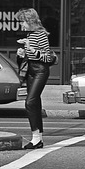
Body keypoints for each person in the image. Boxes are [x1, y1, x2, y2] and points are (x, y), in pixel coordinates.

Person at [15, 8, 52, 149]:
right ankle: (37, 138)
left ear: (30, 21)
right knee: (35, 103)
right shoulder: (30, 35)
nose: (21, 25)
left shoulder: (41, 35)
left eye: (22, 22)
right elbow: (29, 56)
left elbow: (47, 57)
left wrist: (30, 49)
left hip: (41, 70)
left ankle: (36, 138)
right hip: (31, 70)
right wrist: (21, 54)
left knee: (30, 102)